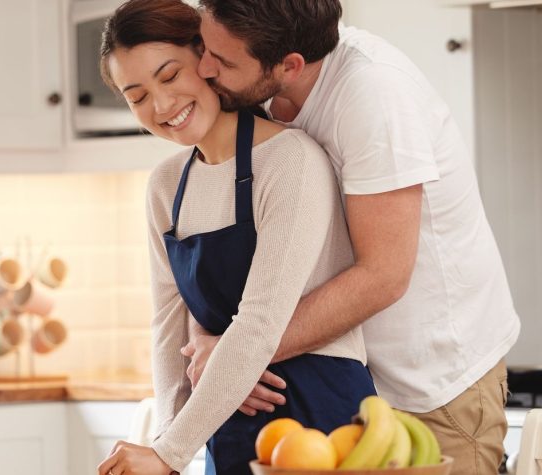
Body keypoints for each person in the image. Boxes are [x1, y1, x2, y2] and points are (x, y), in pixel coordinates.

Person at [179, 1, 521, 474]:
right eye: (203, 46)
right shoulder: (251, 90)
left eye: (224, 60)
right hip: (338, 379)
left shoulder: (374, 96)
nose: (204, 67)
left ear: (290, 65)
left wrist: (237, 354)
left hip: (431, 381)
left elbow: (383, 276)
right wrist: (209, 337)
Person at [96, 1, 376, 474]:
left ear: (206, 61)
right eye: (137, 95)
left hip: (320, 418)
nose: (161, 106)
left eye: (169, 76)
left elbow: (261, 321)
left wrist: (168, 453)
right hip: (226, 420)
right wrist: (168, 438)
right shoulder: (166, 185)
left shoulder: (290, 161)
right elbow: (169, 323)